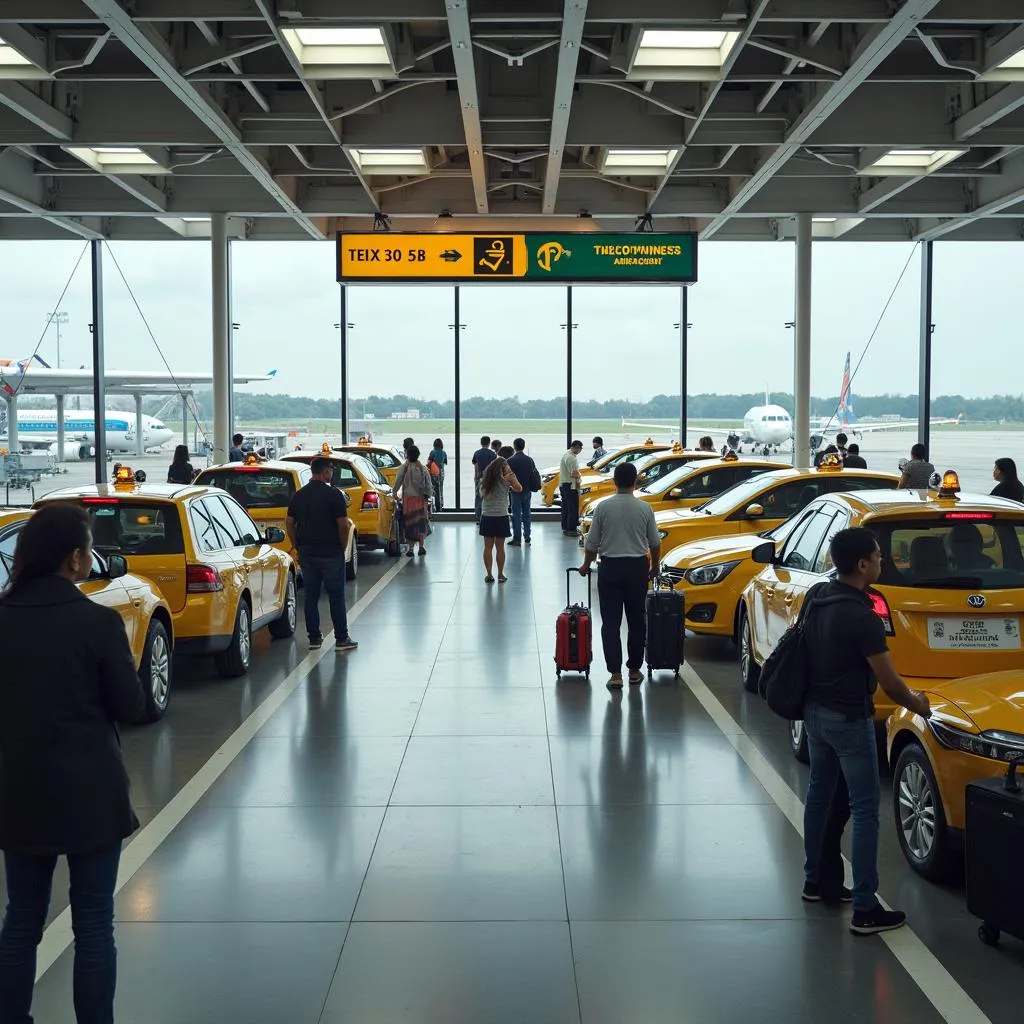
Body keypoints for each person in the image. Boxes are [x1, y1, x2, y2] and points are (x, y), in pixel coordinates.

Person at [0, 503, 145, 1024]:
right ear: (74, 560)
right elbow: (130, 707)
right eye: (87, 548)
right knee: (92, 923)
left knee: (21, 921)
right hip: (90, 793)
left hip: (17, 792)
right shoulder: (97, 623)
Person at [800, 527, 930, 936]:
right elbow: (890, 683)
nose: (882, 561)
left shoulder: (817, 597)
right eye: (877, 555)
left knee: (819, 795)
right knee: (865, 810)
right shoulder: (863, 616)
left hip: (814, 714)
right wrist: (919, 706)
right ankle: (865, 907)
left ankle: (815, 881)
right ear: (862, 564)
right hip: (849, 720)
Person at [578, 462, 661, 689]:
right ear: (635, 482)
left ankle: (615, 674)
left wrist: (586, 565)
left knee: (611, 623)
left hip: (610, 568)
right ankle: (634, 670)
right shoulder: (645, 508)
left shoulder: (603, 508)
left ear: (614, 481)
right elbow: (654, 542)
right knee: (636, 620)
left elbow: (592, 543)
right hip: (637, 569)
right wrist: (655, 566)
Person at [286, 456, 357, 652]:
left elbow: (289, 524)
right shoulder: (334, 495)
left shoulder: (298, 496)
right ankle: (342, 639)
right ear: (325, 471)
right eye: (331, 470)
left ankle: (314, 639)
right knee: (336, 597)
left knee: (311, 596)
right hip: (331, 551)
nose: (332, 473)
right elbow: (343, 524)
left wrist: (297, 545)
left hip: (307, 552)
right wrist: (342, 546)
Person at [479, 454, 522, 583]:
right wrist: (511, 476)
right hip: (501, 515)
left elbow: (482, 494)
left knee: (487, 547)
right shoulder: (508, 479)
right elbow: (519, 489)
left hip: (487, 514)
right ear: (504, 467)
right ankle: (500, 574)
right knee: (500, 547)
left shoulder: (485, 479)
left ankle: (488, 574)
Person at [394, 445, 432, 557]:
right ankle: (421, 546)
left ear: (407, 455)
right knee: (420, 523)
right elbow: (428, 484)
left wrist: (394, 492)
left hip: (408, 501)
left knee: (409, 524)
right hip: (420, 500)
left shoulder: (403, 468)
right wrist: (428, 495)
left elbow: (398, 481)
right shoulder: (422, 468)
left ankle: (410, 549)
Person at [507, 438, 538, 547]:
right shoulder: (529, 460)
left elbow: (507, 477)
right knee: (527, 514)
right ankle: (527, 536)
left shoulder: (510, 460)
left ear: (514, 446)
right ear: (523, 446)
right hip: (527, 491)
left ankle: (517, 538)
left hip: (515, 491)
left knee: (516, 515)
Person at [560, 440, 584, 536]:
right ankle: (571, 529)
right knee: (572, 508)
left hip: (565, 485)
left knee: (566, 507)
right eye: (580, 448)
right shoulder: (571, 458)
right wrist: (580, 475)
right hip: (570, 486)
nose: (580, 450)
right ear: (576, 447)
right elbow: (574, 473)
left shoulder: (567, 455)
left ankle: (566, 526)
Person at [472, 436, 496, 524]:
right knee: (490, 497)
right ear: (489, 443)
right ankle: (489, 516)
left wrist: (476, 477)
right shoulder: (493, 454)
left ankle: (479, 518)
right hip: (489, 478)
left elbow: (476, 466)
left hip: (480, 478)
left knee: (479, 497)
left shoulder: (477, 453)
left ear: (481, 442)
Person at [426, 438, 448, 511]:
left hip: (434, 473)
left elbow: (428, 462)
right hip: (441, 473)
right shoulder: (444, 453)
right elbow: (445, 463)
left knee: (434, 490)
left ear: (434, 445)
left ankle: (435, 506)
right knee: (440, 489)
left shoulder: (432, 452)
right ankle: (441, 505)